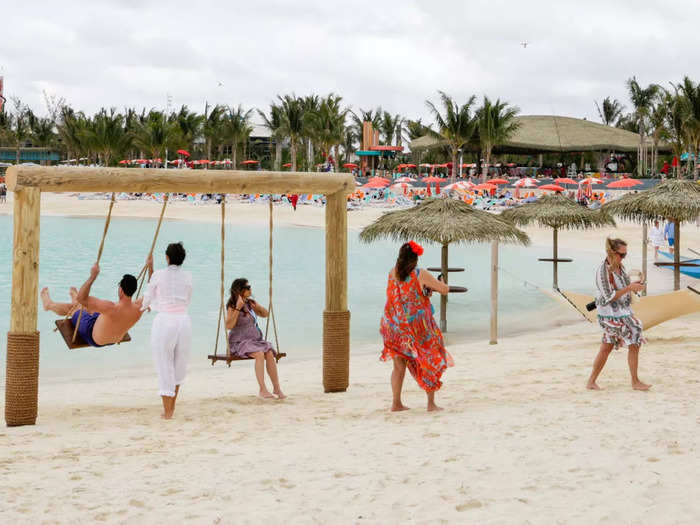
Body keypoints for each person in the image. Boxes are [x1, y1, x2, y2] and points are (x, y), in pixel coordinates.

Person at [380, 241, 453, 412]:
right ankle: (431, 404)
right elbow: (444, 289)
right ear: (415, 259)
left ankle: (396, 403)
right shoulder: (420, 274)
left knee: (398, 366)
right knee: (429, 358)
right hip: (417, 328)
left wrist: (425, 291)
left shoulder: (392, 273)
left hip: (394, 326)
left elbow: (402, 297)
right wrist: (441, 280)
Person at [586, 238, 650, 391]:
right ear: (612, 253)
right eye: (622, 255)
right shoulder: (602, 271)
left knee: (606, 347)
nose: (623, 258)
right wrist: (629, 288)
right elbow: (609, 296)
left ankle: (591, 382)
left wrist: (635, 288)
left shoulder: (620, 267)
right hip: (609, 314)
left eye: (625, 255)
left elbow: (625, 290)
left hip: (622, 311)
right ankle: (635, 381)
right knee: (635, 331)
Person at [142, 242, 193, 420]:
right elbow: (186, 299)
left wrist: (142, 307)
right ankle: (170, 408)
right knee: (179, 365)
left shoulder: (158, 275)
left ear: (167, 257)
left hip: (165, 322)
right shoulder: (188, 277)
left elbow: (149, 298)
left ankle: (168, 412)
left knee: (165, 364)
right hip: (183, 321)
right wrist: (151, 269)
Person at [40, 264, 144, 347]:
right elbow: (154, 292)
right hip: (112, 338)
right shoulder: (139, 307)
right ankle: (75, 299)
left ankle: (49, 305)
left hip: (92, 335)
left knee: (75, 307)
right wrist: (151, 266)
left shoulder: (111, 308)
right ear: (134, 291)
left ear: (120, 290)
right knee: (91, 308)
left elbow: (82, 298)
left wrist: (92, 276)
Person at [226, 278, 285, 399]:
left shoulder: (250, 303)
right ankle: (262, 389)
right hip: (239, 342)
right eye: (247, 288)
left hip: (254, 340)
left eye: (250, 287)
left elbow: (265, 314)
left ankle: (277, 388)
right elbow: (229, 325)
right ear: (240, 290)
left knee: (268, 352)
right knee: (259, 354)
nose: (250, 290)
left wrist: (257, 306)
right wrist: (238, 308)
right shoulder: (232, 305)